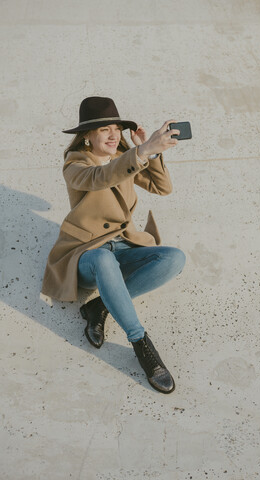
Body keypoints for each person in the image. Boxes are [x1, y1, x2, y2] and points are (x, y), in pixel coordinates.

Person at [40, 96, 186, 394]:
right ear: (87, 136)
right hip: (86, 251)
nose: (113, 134)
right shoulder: (75, 164)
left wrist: (153, 154)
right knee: (104, 262)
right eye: (104, 129)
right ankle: (141, 345)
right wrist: (141, 151)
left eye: (116, 128)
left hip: (125, 245)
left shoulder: (125, 154)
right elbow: (100, 177)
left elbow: (162, 188)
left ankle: (99, 306)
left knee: (174, 258)